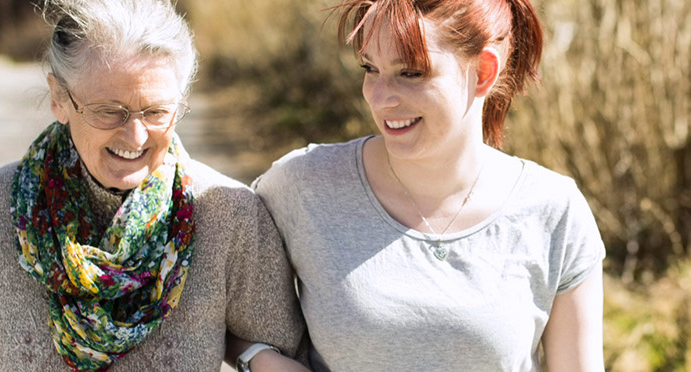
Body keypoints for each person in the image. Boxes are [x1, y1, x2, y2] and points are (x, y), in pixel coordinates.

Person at [0, 0, 308, 371]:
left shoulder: (229, 216)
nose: (135, 137)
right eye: (109, 112)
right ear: (59, 99)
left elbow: (281, 354)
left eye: (156, 112)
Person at [253, 0, 605, 371]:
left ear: (484, 72)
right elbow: (216, 283)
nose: (379, 97)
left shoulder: (554, 211)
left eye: (410, 73)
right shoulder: (304, 185)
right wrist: (257, 358)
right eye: (370, 68)